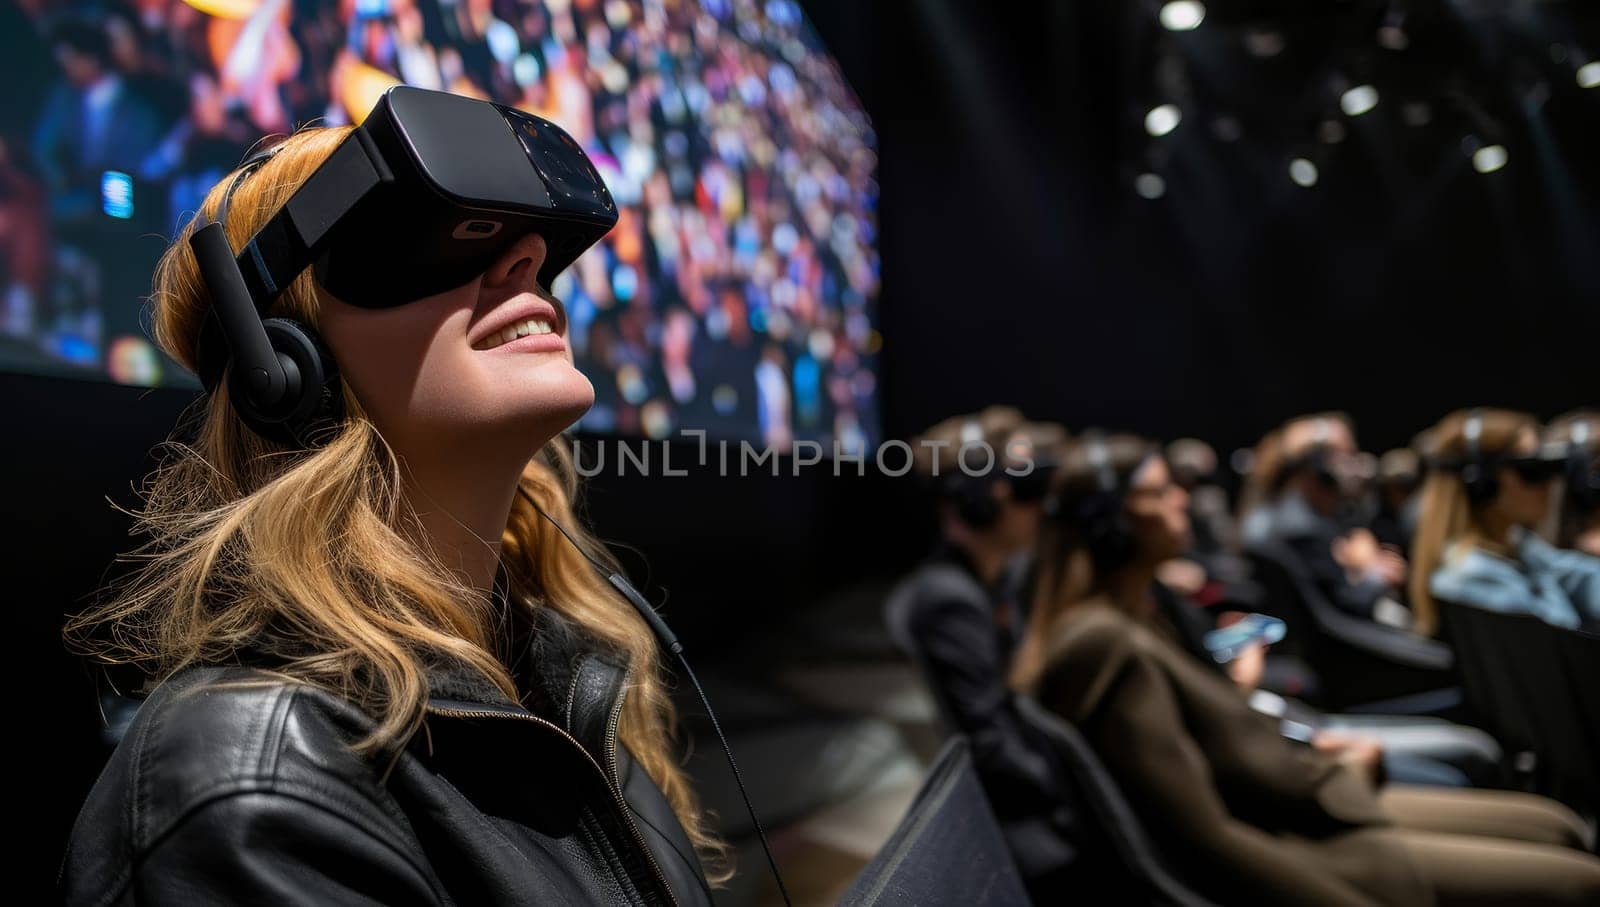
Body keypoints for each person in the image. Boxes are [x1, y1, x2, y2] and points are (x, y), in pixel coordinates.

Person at [58, 124, 722, 904]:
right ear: (283, 365)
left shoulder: (560, 670)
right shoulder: (243, 788)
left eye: (530, 240)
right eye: (426, 235)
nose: (529, 258)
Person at [1012, 434, 1600, 906]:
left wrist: (1323, 758)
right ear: (1109, 524)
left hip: (1303, 797)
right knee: (1579, 875)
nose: (1182, 501)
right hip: (1302, 847)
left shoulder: (1140, 613)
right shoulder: (1103, 644)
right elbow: (1207, 839)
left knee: (1557, 824)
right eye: (1160, 493)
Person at [884, 407, 1080, 898]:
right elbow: (991, 746)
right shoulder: (951, 599)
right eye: (1027, 491)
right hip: (1014, 814)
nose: (1042, 508)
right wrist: (1078, 788)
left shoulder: (995, 583)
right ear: (979, 502)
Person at [1410, 408, 1600, 635]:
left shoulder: (1517, 547)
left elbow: (1577, 576)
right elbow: (1561, 639)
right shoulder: (1472, 578)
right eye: (1530, 471)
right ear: (1482, 484)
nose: (1549, 485)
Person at [1242, 413, 1412, 628]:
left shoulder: (1309, 513)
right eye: (1347, 456)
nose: (1357, 465)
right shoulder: (1299, 528)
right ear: (1318, 468)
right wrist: (1373, 574)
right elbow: (1343, 604)